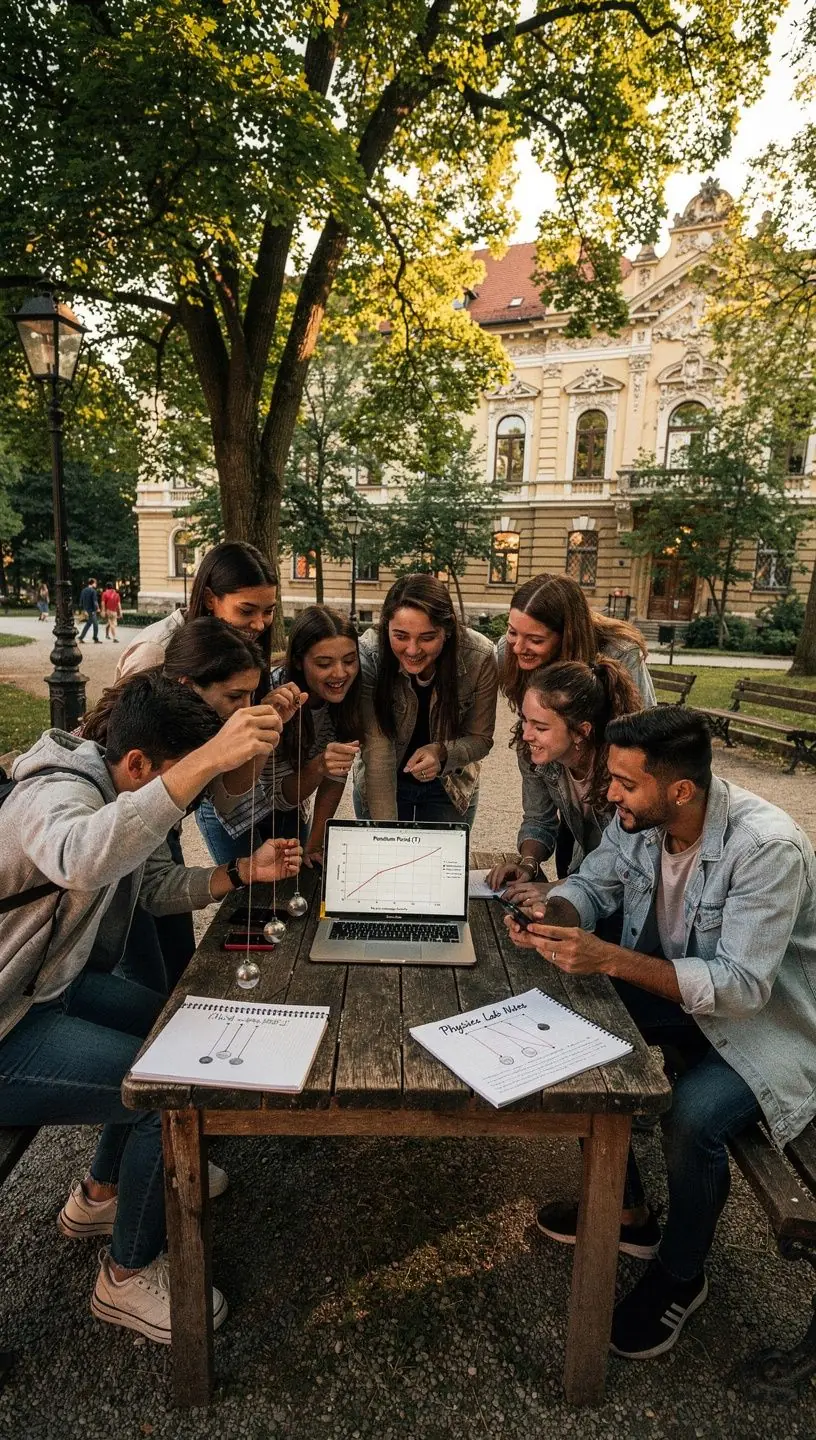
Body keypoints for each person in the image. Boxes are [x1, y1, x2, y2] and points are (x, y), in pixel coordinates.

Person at [504, 707, 816, 1361]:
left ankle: (680, 1274)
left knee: (693, 1119)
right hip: (692, 998)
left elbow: (740, 989)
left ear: (679, 790)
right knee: (565, 1015)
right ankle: (627, 1214)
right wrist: (552, 913)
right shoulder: (642, 822)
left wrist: (609, 957)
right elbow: (593, 880)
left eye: (624, 782)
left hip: (769, 1028)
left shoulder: (766, 848)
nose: (607, 794)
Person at [0, 673, 299, 1343]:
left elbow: (150, 883)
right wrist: (207, 762)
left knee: (177, 1023)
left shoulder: (112, 787)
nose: (185, 798)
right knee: (168, 1092)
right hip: (8, 1027)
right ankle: (127, 1277)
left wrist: (239, 874)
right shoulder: (55, 794)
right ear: (137, 763)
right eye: (178, 780)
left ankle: (99, 1199)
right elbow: (81, 858)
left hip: (37, 994)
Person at [81, 618, 272, 992]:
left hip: (143, 860)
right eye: (234, 697)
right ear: (187, 686)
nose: (246, 709)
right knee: (151, 983)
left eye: (251, 695)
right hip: (92, 909)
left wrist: (243, 870)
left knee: (178, 970)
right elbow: (89, 862)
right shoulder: (132, 759)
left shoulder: (192, 736)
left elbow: (157, 881)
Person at [496, 573, 655, 887]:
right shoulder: (510, 651)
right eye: (513, 632)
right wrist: (530, 864)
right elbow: (538, 815)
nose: (518, 647)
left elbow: (644, 738)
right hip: (570, 769)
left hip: (614, 797)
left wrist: (568, 888)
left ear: (565, 636)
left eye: (535, 640)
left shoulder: (618, 655)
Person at [201, 605, 362, 866]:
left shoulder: (350, 700)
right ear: (298, 660)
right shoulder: (274, 697)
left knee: (295, 882)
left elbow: (335, 774)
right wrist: (320, 765)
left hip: (285, 808)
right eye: (324, 663)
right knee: (249, 893)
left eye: (349, 660)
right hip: (233, 810)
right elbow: (277, 793)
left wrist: (315, 844)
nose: (340, 673)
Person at [487, 658, 643, 907]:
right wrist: (528, 864)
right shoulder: (535, 755)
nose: (526, 734)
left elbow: (626, 861)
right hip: (586, 876)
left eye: (540, 727)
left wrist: (553, 888)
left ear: (582, 731)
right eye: (524, 720)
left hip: (631, 895)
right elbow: (539, 819)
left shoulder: (623, 771)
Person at [354, 575, 498, 826]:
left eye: (427, 637)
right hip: (382, 781)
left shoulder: (480, 656)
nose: (412, 649)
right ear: (385, 625)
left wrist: (442, 752)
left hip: (449, 786)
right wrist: (386, 835)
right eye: (400, 636)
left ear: (448, 630)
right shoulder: (369, 654)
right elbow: (378, 752)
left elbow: (481, 739)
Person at [115, 540, 279, 680]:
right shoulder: (155, 651)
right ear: (210, 599)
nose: (259, 625)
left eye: (268, 611)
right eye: (246, 611)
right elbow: (124, 716)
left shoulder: (235, 645)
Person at [78, 576, 101, 643]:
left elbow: (81, 601)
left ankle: (81, 637)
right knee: (96, 624)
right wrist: (98, 608)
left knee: (88, 624)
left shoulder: (83, 590)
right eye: (95, 583)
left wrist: (83, 609)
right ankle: (95, 638)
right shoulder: (93, 591)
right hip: (92, 610)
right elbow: (95, 601)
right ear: (93, 583)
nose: (96, 584)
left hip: (86, 610)